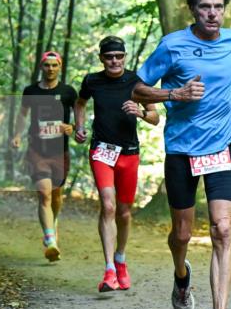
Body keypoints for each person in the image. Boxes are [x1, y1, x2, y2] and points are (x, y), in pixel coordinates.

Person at [132, 0, 231, 309]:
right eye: (205, 7)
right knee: (182, 235)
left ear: (224, 9)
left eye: (218, 6)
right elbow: (136, 87)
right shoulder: (173, 46)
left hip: (222, 147)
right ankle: (181, 276)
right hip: (183, 151)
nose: (212, 13)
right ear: (193, 9)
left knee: (222, 229)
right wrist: (175, 93)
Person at [74, 36, 160, 293]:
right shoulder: (92, 81)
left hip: (129, 153)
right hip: (101, 151)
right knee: (108, 206)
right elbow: (80, 103)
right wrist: (79, 126)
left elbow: (155, 117)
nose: (114, 61)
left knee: (123, 212)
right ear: (101, 58)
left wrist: (141, 112)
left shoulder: (136, 82)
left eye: (119, 56)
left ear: (125, 57)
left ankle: (121, 259)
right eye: (109, 56)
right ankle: (109, 269)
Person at [12, 51, 77, 262]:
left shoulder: (68, 92)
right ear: (42, 67)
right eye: (47, 65)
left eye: (54, 65)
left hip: (60, 151)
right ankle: (50, 240)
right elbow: (22, 115)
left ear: (60, 67)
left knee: (56, 196)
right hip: (37, 150)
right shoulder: (30, 91)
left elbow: (80, 115)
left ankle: (52, 223)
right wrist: (17, 136)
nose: (50, 69)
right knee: (44, 194)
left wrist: (73, 127)